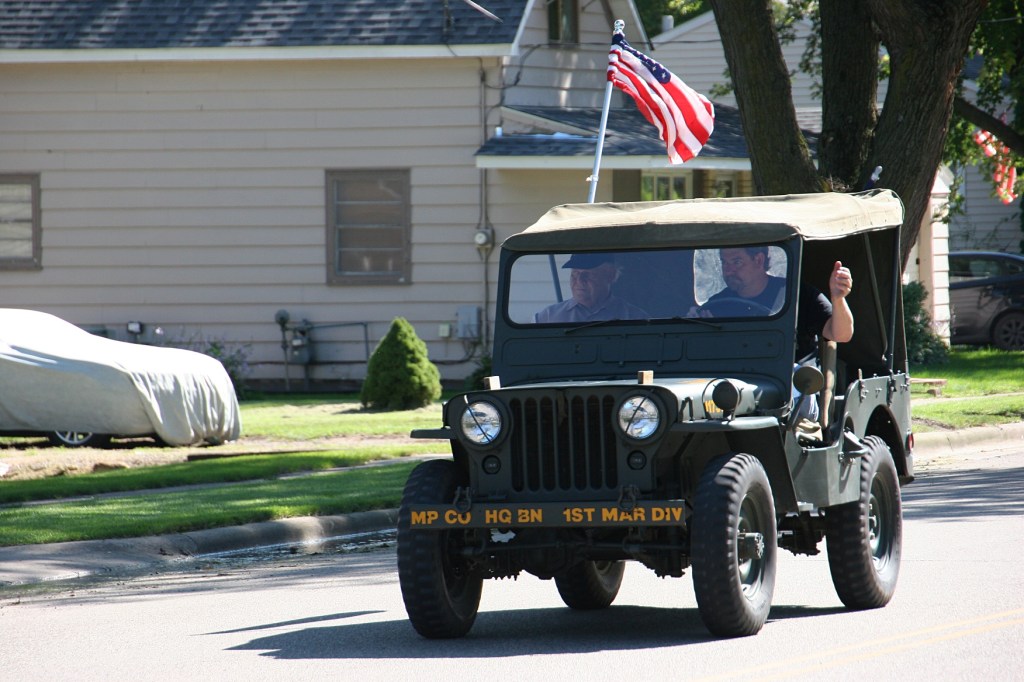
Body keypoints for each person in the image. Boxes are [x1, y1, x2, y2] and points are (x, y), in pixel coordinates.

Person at [696, 246, 854, 420]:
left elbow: (841, 334)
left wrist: (838, 299)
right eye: (724, 263)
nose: (728, 270)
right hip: (733, 392)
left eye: (736, 262)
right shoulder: (717, 304)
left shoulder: (797, 295)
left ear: (759, 260)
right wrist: (699, 328)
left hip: (792, 396)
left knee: (793, 373)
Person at [535, 253, 648, 323]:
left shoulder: (634, 318)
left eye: (587, 274)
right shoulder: (547, 317)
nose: (579, 281)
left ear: (610, 275)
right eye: (575, 274)